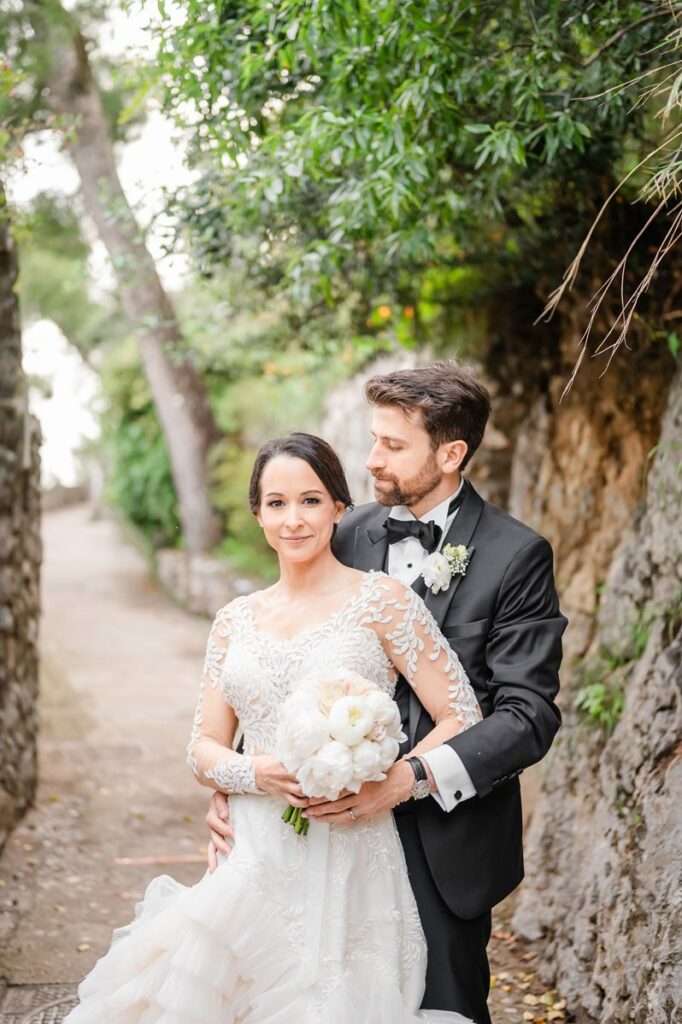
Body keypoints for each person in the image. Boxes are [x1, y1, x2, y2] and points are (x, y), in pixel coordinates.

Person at [63, 431, 483, 1024]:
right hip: (251, 855)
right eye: (277, 503)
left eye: (311, 501)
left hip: (351, 854)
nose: (294, 520)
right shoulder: (234, 620)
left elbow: (461, 713)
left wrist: (388, 778)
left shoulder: (383, 601)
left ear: (340, 508)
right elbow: (201, 747)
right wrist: (254, 772)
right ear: (257, 513)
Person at [206, 361, 568, 1024]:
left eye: (393, 446)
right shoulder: (339, 530)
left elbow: (528, 715)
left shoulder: (516, 556)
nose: (371, 459)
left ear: (451, 453)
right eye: (373, 439)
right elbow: (273, 655)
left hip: (443, 840)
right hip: (314, 840)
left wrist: (408, 778)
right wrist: (238, 782)